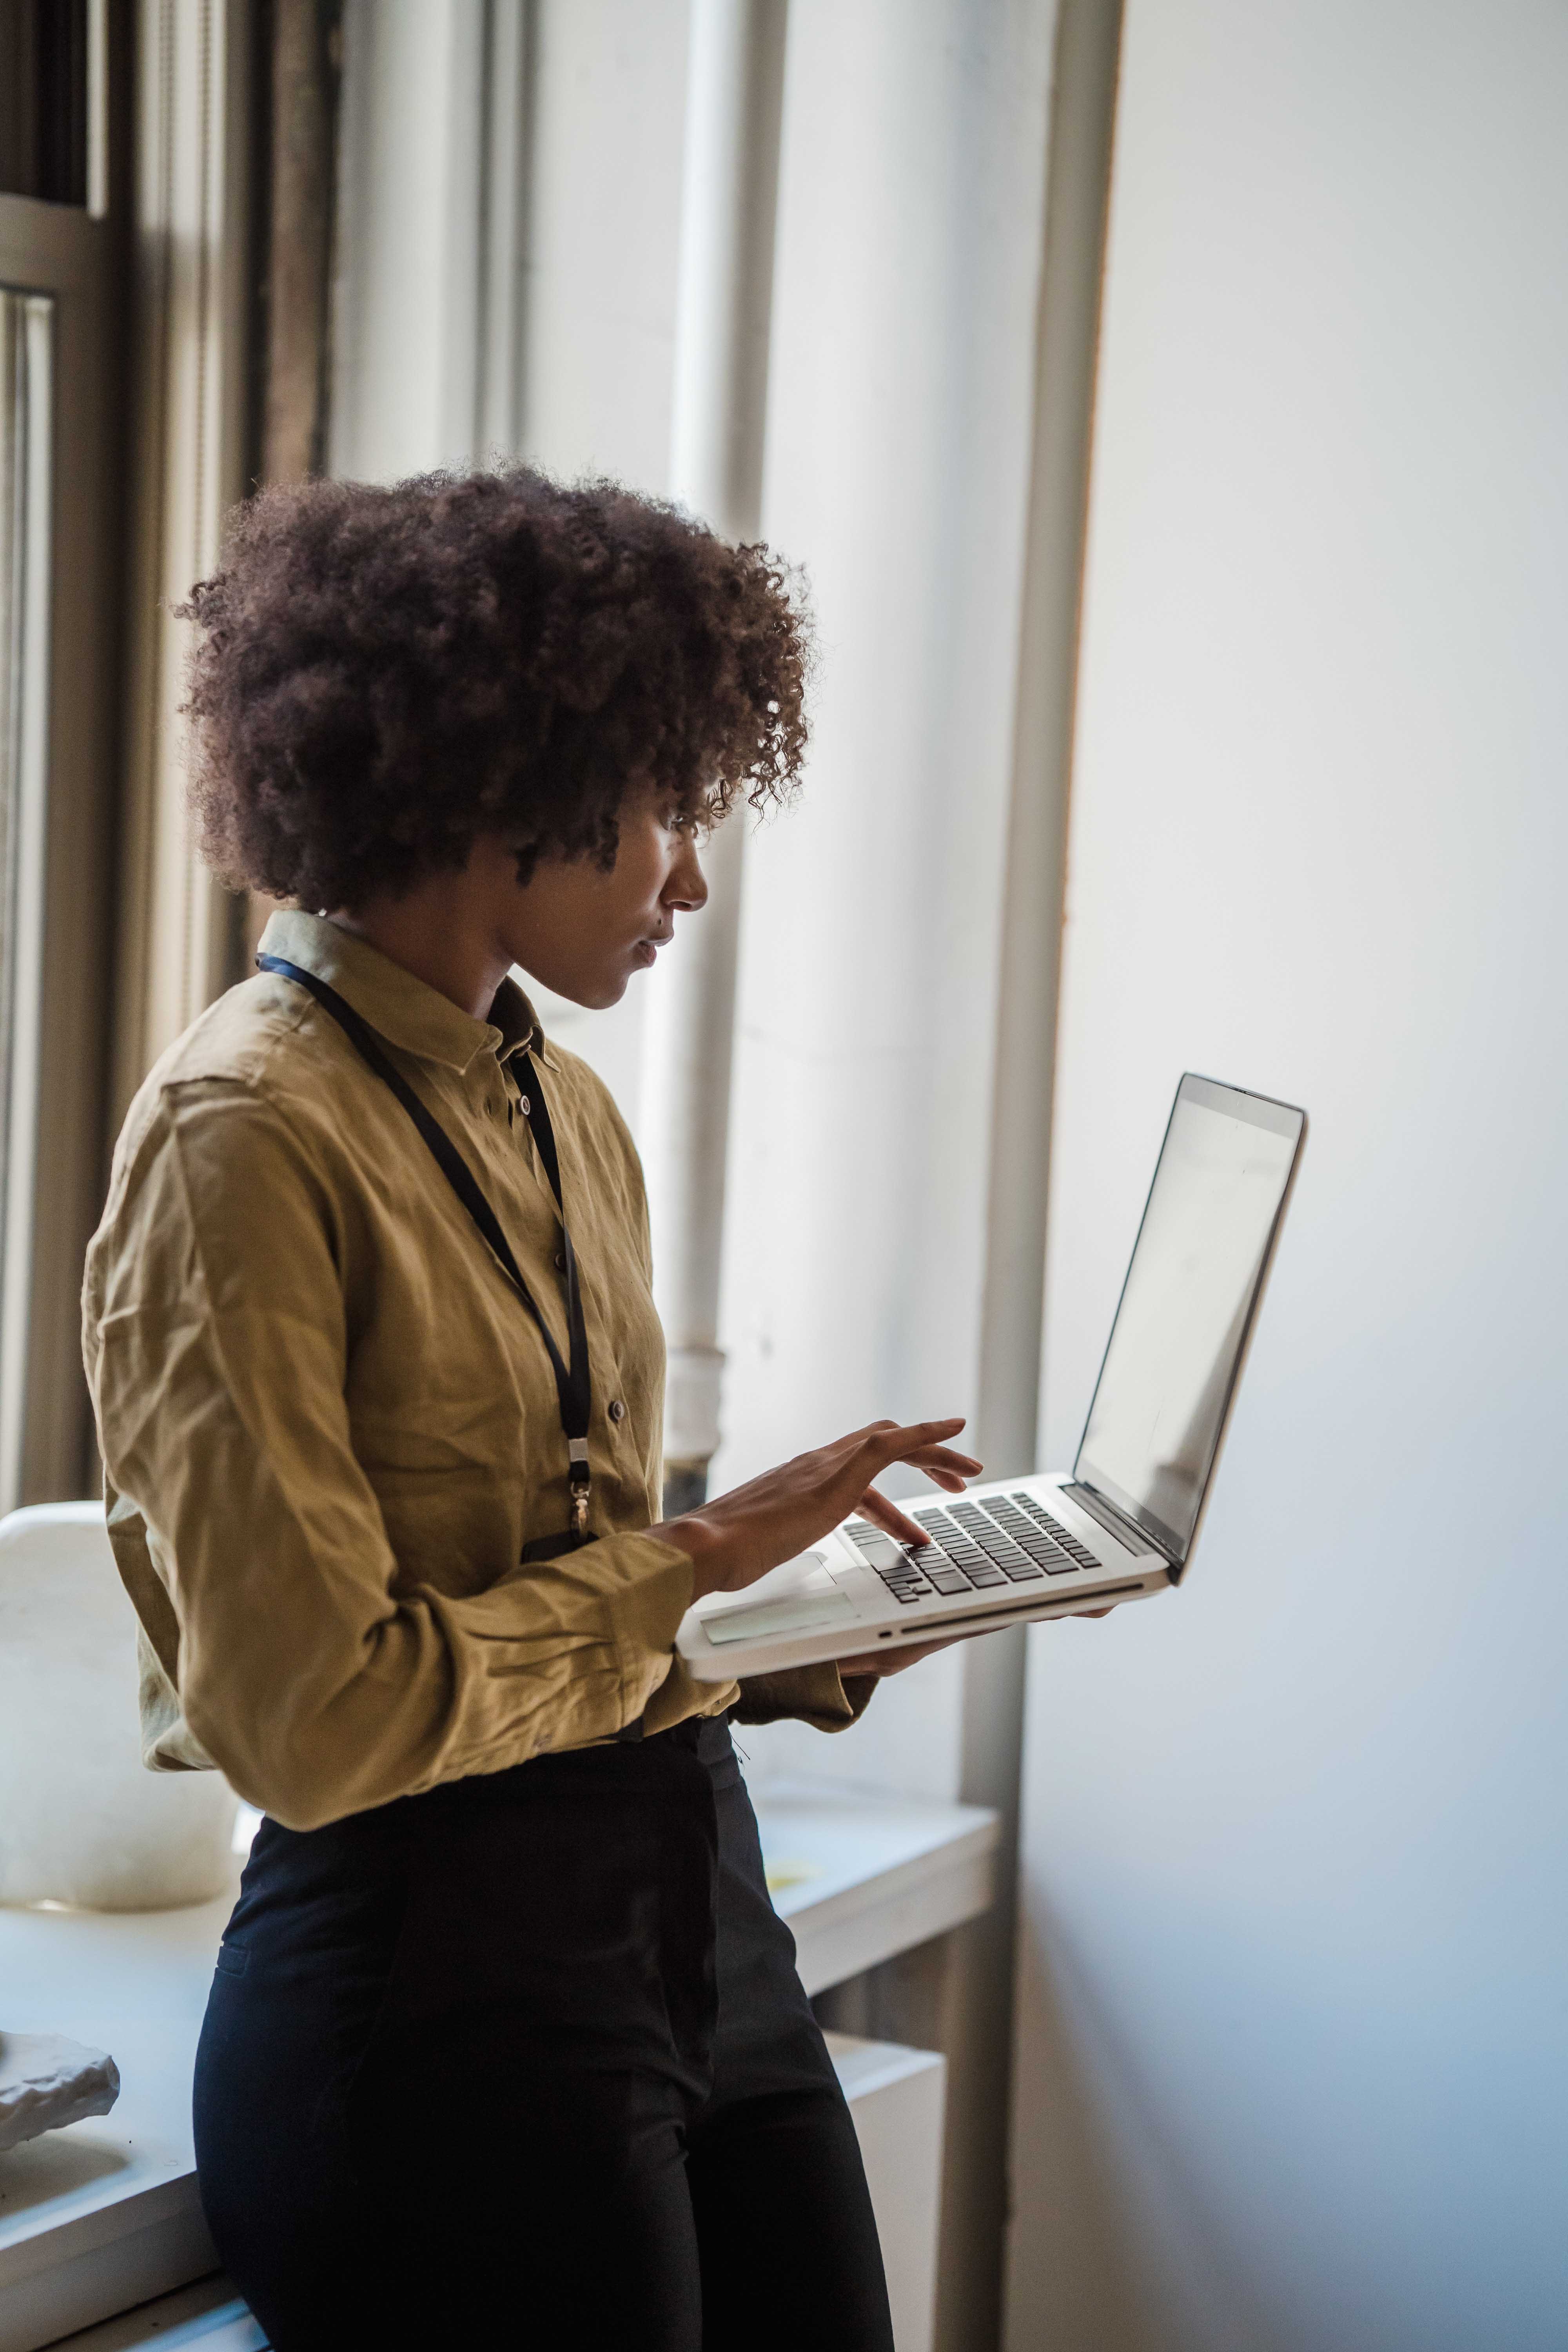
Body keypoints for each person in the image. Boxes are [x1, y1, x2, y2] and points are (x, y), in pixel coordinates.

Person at [82, 466, 982, 2350]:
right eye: (668, 809)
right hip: (437, 2000)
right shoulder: (243, 1138)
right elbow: (325, 1728)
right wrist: (707, 1555)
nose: (689, 879)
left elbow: (579, 1593)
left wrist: (811, 1618)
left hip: (696, 1918)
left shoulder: (561, 1107)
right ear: (509, 784)